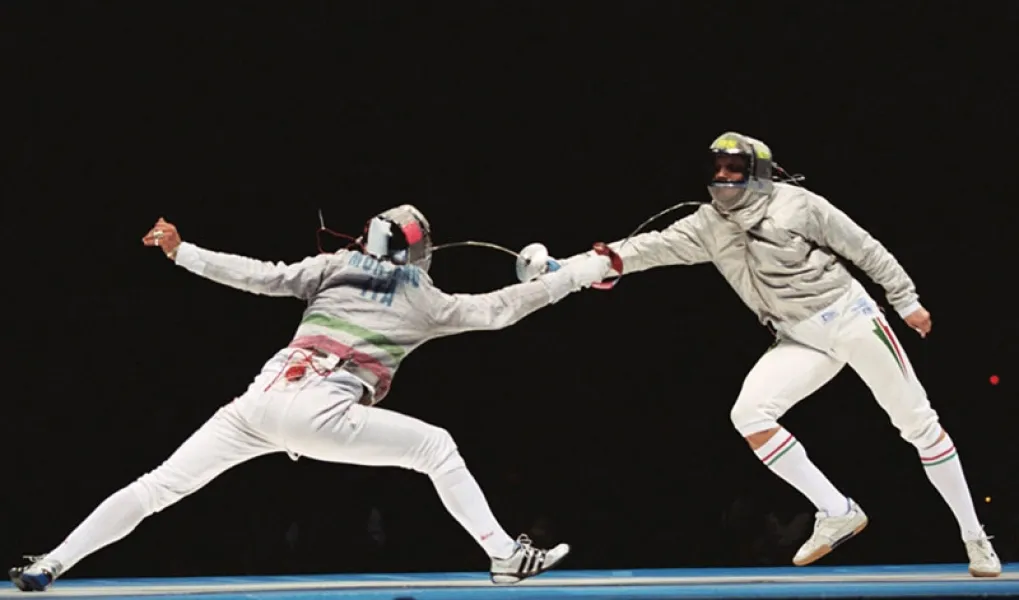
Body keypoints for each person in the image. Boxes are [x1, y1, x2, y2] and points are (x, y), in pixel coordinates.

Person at [9, 205, 615, 591]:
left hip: (259, 401)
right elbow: (501, 308)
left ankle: (50, 564)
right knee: (436, 447)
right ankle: (505, 556)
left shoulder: (334, 265)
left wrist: (180, 251)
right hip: (321, 409)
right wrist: (578, 272)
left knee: (156, 486)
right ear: (420, 251)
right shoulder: (427, 301)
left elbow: (257, 274)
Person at [546, 132, 1001, 576]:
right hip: (798, 337)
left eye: (734, 169)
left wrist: (906, 301)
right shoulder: (708, 225)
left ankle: (974, 537)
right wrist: (566, 270)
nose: (723, 177)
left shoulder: (799, 205)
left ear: (757, 172)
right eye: (718, 168)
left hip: (851, 318)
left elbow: (864, 247)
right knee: (751, 415)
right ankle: (837, 510)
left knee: (917, 425)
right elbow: (640, 250)